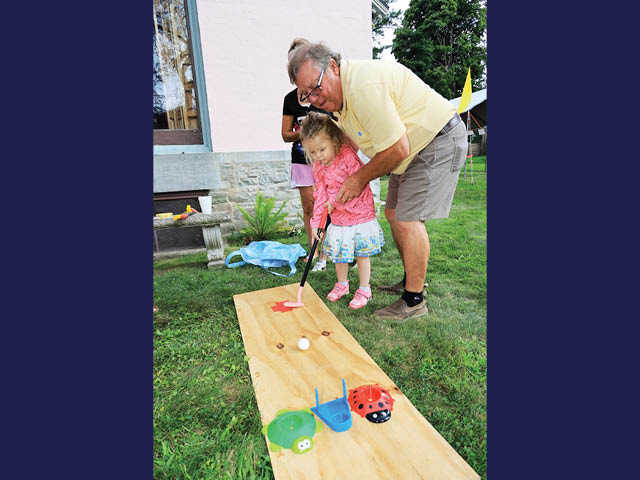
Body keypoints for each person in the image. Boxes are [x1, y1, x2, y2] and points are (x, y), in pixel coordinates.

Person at [287, 41, 468, 321]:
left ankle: (414, 299)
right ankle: (412, 279)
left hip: (435, 140)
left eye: (316, 87)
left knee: (408, 218)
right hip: (410, 149)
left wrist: (357, 179)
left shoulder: (362, 88)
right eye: (306, 94)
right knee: (394, 212)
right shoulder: (340, 99)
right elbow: (349, 139)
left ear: (333, 67)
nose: (315, 98)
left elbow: (397, 148)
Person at [300, 111, 384, 309]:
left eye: (322, 149)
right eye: (312, 152)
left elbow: (357, 185)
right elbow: (320, 194)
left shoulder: (347, 156)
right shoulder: (319, 167)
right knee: (339, 251)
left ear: (334, 140)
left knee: (362, 253)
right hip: (338, 217)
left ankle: (364, 288)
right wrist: (316, 224)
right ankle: (342, 284)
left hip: (358, 212)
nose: (318, 155)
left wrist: (335, 202)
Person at [281, 38, 327, 271]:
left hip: (325, 161)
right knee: (309, 209)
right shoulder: (289, 100)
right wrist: (303, 131)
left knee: (328, 207)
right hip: (301, 161)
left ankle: (334, 253)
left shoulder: (321, 95)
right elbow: (285, 134)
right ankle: (315, 254)